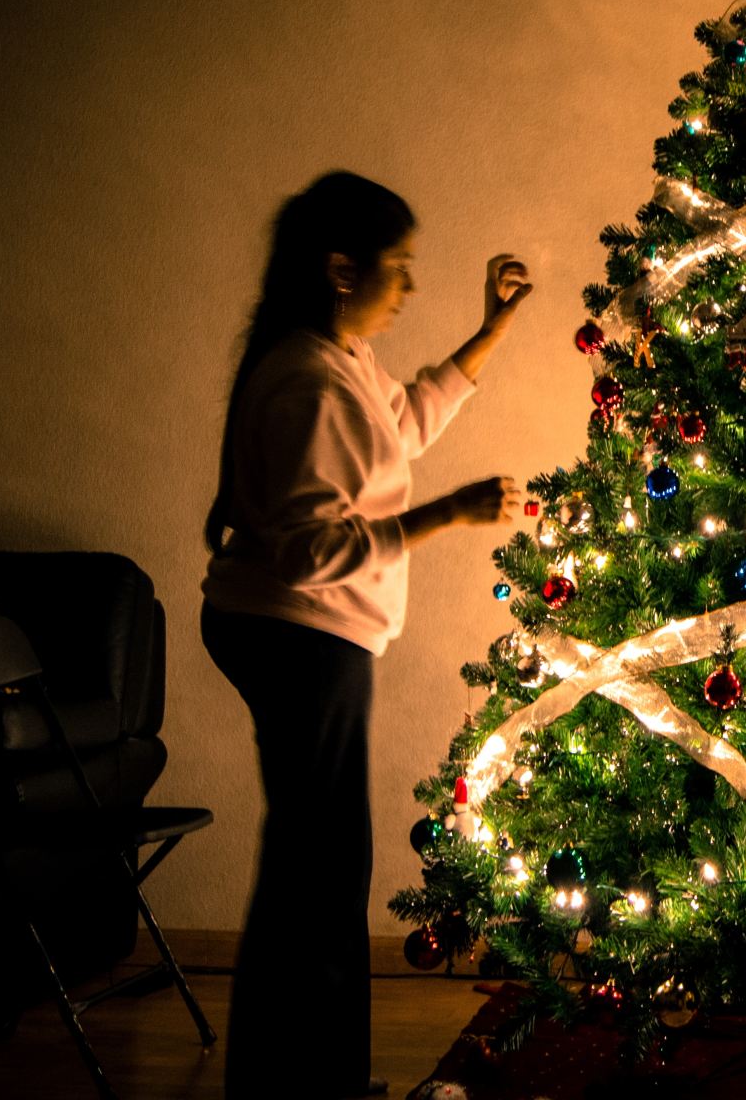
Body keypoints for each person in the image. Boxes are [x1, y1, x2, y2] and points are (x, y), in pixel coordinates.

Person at [199, 171, 532, 1098]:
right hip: (300, 636)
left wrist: (492, 329)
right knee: (321, 880)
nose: (410, 288)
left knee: (316, 870)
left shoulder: (338, 358)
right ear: (343, 270)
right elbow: (311, 551)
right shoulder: (306, 378)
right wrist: (445, 516)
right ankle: (306, 1086)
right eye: (401, 268)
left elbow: (402, 421)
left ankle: (299, 1081)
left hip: (306, 633)